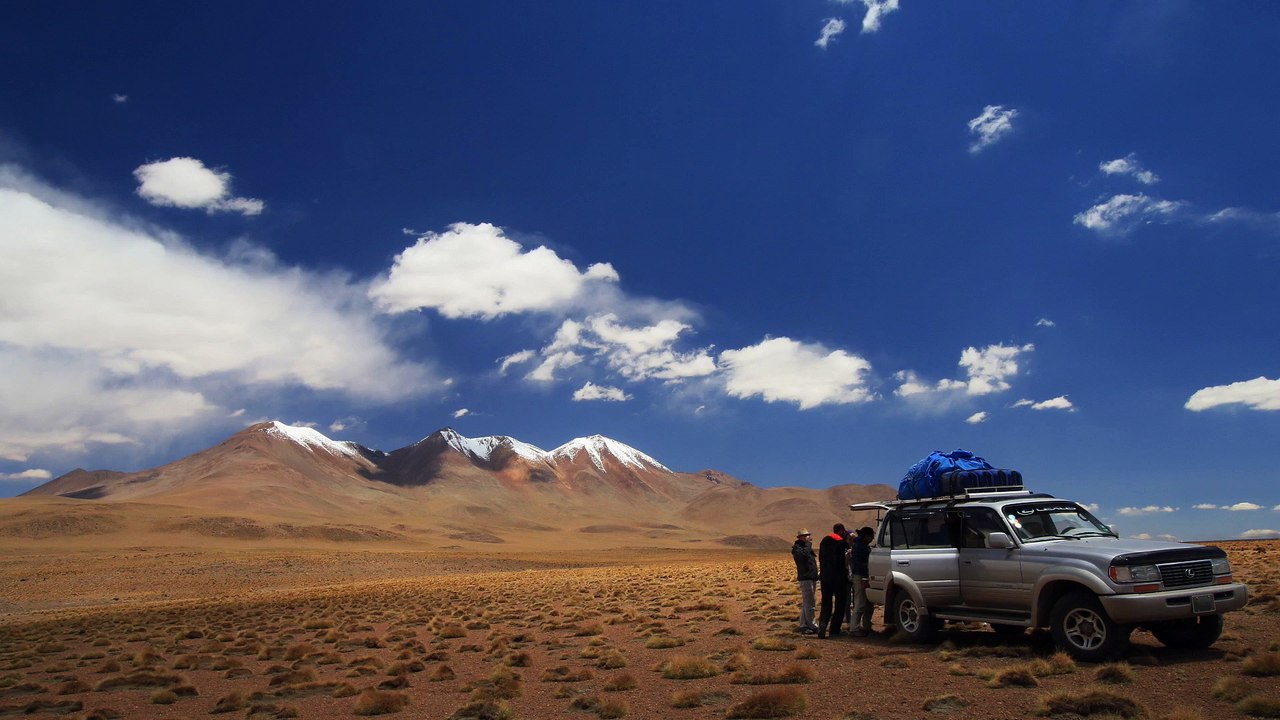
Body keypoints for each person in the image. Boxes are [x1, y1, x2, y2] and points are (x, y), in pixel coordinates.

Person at [817, 523, 851, 639]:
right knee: (840, 603)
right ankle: (834, 630)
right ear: (841, 531)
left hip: (825, 577)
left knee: (826, 603)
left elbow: (821, 558)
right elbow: (843, 561)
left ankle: (822, 624)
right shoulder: (841, 543)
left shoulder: (824, 541)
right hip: (838, 577)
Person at [791, 529, 819, 634]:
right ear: (800, 537)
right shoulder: (797, 548)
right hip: (805, 578)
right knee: (810, 603)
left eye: (808, 535)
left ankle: (803, 624)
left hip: (811, 577)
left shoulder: (805, 547)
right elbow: (804, 557)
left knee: (807, 603)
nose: (808, 537)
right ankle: (812, 625)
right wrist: (808, 544)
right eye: (806, 535)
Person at [849, 526, 876, 637]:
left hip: (863, 576)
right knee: (860, 603)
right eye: (871, 536)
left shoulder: (861, 545)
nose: (872, 538)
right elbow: (859, 564)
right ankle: (854, 629)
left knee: (868, 603)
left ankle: (866, 627)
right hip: (860, 576)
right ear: (866, 536)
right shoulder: (860, 547)